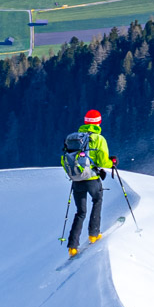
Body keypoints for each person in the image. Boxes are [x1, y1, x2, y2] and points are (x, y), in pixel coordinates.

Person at [62, 109, 116, 256]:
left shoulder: (74, 138)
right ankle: (94, 234)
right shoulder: (99, 139)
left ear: (85, 121)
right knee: (97, 201)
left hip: (77, 180)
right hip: (92, 179)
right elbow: (102, 161)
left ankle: (72, 247)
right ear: (99, 122)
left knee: (80, 212)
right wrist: (112, 163)